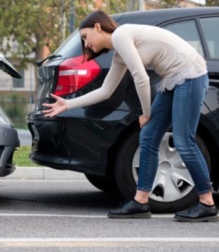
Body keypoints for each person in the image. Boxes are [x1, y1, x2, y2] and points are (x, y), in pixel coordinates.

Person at [42, 10, 217, 222]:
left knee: (183, 140)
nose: (85, 44)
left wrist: (145, 113)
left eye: (85, 37)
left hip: (190, 76)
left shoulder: (121, 34)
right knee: (149, 136)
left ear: (98, 26)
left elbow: (141, 79)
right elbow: (105, 91)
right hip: (173, 80)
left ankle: (207, 203)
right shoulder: (119, 54)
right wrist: (68, 104)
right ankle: (141, 201)